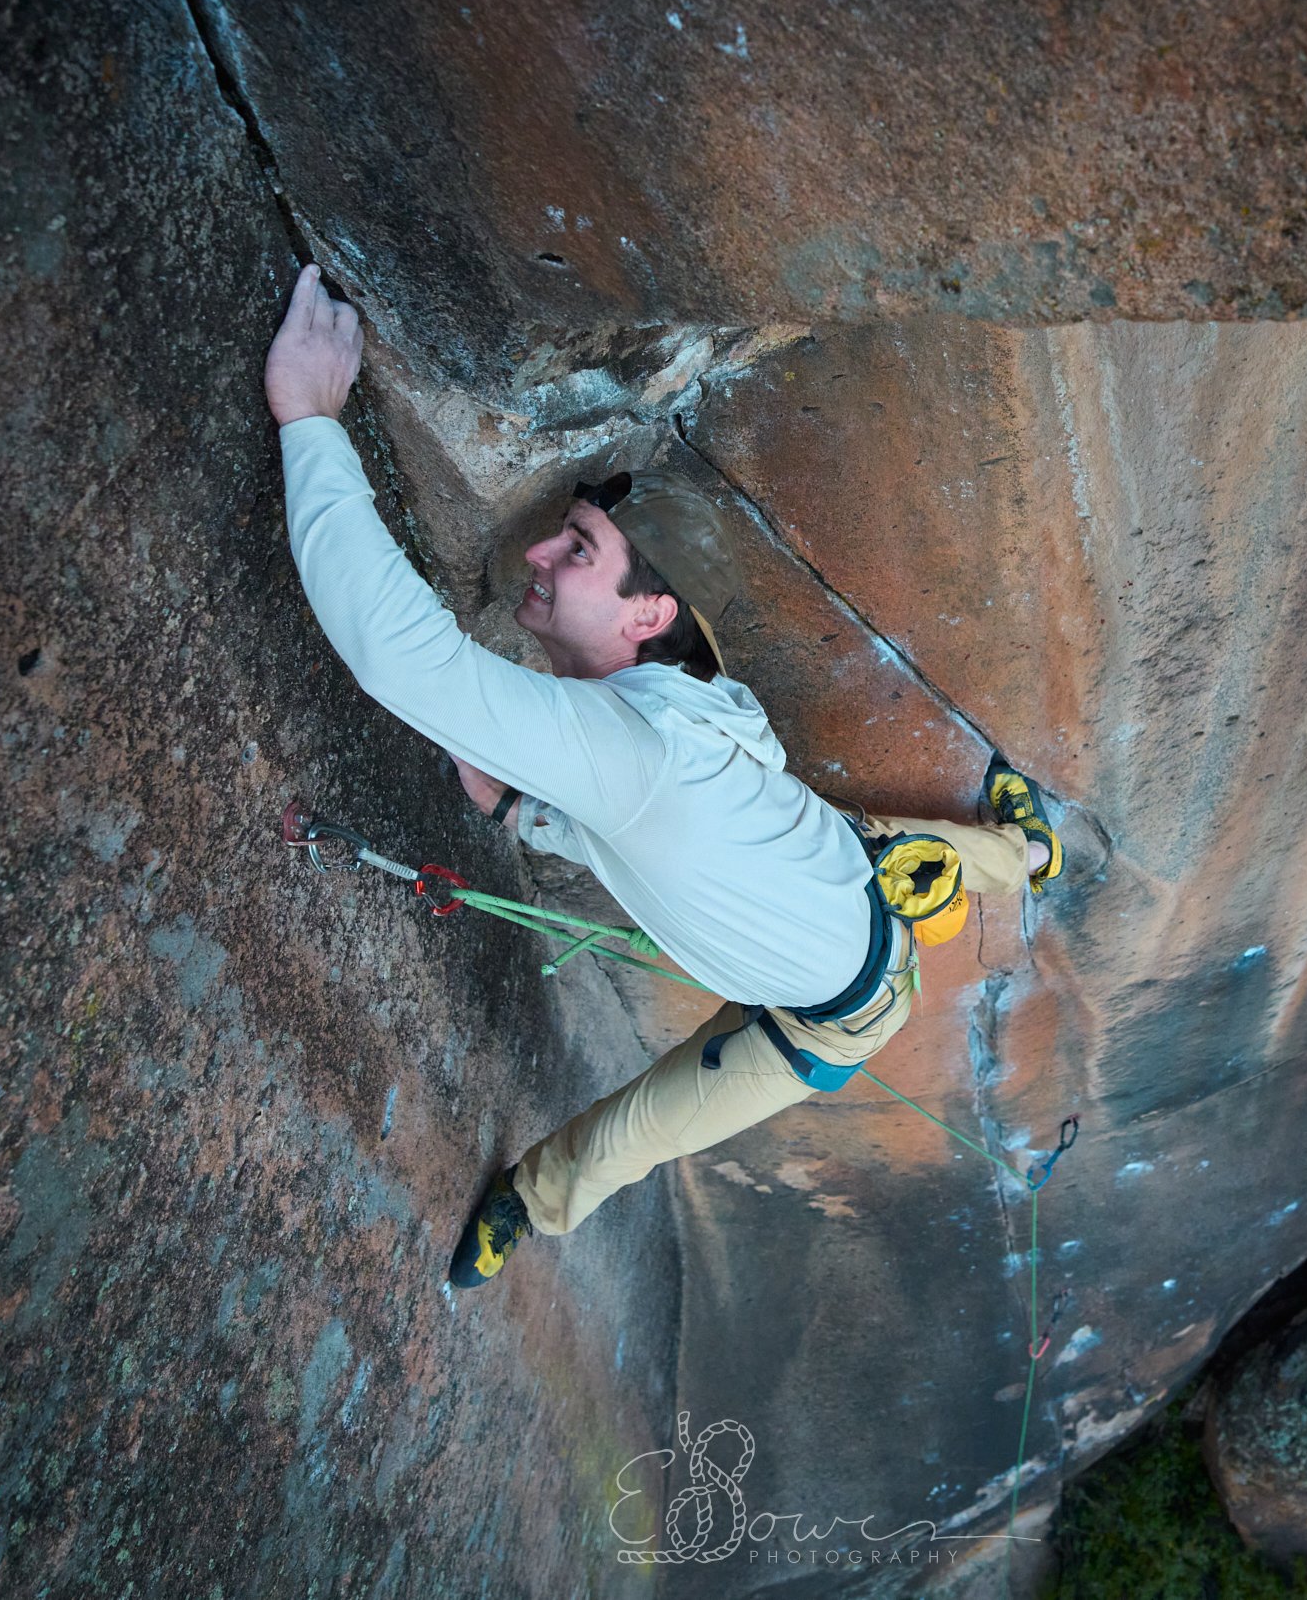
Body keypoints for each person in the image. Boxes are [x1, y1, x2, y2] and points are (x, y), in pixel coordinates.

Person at [263, 265, 1065, 1287]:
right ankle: (1028, 847)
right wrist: (524, 807)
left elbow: (397, 655)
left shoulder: (637, 751)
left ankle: (526, 1199)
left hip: (826, 1017)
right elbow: (654, 812)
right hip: (843, 863)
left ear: (649, 616)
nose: (542, 552)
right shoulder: (699, 704)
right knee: (916, 847)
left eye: (580, 546)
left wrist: (311, 418)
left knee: (627, 1139)